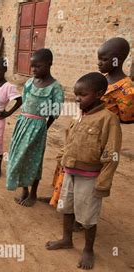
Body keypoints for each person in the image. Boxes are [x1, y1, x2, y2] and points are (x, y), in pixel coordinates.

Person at [46, 72, 122, 270]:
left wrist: (103, 182)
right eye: (76, 94)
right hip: (70, 172)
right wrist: (61, 160)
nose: (77, 98)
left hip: (91, 177)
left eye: (83, 94)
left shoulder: (108, 119)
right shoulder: (78, 115)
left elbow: (112, 153)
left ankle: (88, 249)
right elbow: (69, 139)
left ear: (98, 94)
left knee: (88, 216)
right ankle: (66, 239)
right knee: (67, 208)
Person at [47, 37, 133, 208]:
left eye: (104, 59)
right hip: (80, 127)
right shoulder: (100, 79)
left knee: (85, 177)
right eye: (99, 58)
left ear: (119, 59)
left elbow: (127, 117)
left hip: (97, 136)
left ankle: (80, 215)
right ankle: (58, 199)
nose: (99, 63)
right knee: (67, 163)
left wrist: (102, 120)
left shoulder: (126, 88)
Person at [6, 49, 64, 203]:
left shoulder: (55, 87)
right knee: (19, 157)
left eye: (38, 66)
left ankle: (33, 194)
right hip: (22, 124)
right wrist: (22, 122)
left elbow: (54, 112)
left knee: (34, 160)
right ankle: (24, 190)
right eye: (32, 67)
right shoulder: (30, 82)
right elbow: (25, 103)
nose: (33, 70)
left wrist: (44, 127)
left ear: (49, 64)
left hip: (38, 128)